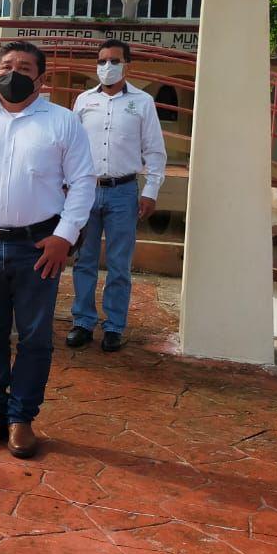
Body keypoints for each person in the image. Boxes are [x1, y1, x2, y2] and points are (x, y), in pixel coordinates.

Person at [0, 41, 97, 459]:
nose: (13, 72)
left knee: (34, 336)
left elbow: (83, 182)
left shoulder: (62, 123)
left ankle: (21, 418)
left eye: (24, 67)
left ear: (40, 79)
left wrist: (65, 235)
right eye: (6, 65)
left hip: (39, 247)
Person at [69, 39, 168, 352]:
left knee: (118, 263)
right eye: (101, 61)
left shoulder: (142, 103)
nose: (106, 67)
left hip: (123, 192)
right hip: (86, 190)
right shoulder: (83, 101)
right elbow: (71, 149)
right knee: (84, 260)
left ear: (128, 64)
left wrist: (151, 190)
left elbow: (154, 150)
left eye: (114, 60)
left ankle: (114, 326)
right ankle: (82, 321)